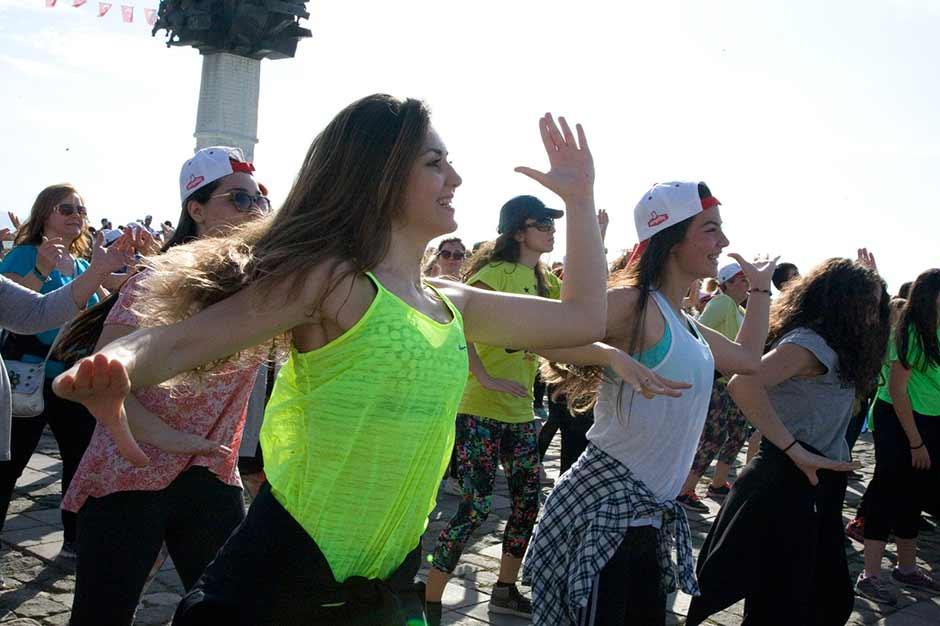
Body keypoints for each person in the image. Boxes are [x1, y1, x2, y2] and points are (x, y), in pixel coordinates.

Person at [52, 95, 608, 626]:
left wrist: (579, 202)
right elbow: (179, 341)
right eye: (435, 163)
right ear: (381, 176)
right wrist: (114, 366)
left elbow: (583, 319)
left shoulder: (449, 301)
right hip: (287, 581)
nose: (455, 179)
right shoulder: (334, 282)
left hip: (386, 581)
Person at [523, 181, 779, 626]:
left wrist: (760, 291)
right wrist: (609, 355)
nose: (724, 242)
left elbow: (749, 360)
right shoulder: (635, 306)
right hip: (607, 510)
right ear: (671, 235)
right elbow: (541, 334)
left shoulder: (687, 323)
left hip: (649, 519)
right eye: (711, 229)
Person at [54, 147, 272, 626]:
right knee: (101, 615)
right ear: (195, 209)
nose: (255, 211)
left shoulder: (266, 289)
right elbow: (104, 376)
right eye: (238, 199)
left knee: (227, 611)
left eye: (261, 201)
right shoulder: (155, 280)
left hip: (210, 470)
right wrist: (169, 438)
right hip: (130, 466)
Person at [686, 258, 889, 626]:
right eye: (868, 303)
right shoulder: (810, 344)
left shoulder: (839, 345)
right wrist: (793, 449)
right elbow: (742, 383)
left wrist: (868, 275)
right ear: (842, 302)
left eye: (879, 304)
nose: (875, 314)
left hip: (816, 478)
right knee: (786, 597)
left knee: (813, 595)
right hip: (789, 478)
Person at [424, 194, 566, 618]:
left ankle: (505, 588)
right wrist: (484, 375)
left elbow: (572, 318)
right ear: (519, 230)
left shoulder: (545, 281)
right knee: (475, 508)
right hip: (479, 409)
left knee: (527, 503)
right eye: (543, 223)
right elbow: (456, 321)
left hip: (521, 413)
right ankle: (430, 598)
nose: (552, 230)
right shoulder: (493, 273)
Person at [0, 184, 127, 558]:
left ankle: (74, 539)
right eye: (65, 208)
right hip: (28, 376)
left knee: (80, 458)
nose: (76, 215)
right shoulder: (23, 255)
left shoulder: (83, 263)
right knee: (11, 462)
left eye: (81, 210)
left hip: (70, 379)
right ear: (44, 214)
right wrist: (41, 269)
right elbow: (17, 310)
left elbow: (101, 308)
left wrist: (121, 275)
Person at [854, 268, 940, 605]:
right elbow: (897, 390)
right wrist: (915, 441)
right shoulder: (910, 333)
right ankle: (870, 574)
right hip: (899, 419)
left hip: (931, 419)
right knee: (888, 491)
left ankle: (906, 568)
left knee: (915, 494)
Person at [677, 261, 751, 511]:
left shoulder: (739, 309)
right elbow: (695, 331)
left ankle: (718, 483)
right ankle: (684, 490)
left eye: (746, 279)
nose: (746, 283)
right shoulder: (721, 303)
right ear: (726, 284)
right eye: (741, 279)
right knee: (714, 436)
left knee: (739, 432)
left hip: (733, 383)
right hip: (717, 382)